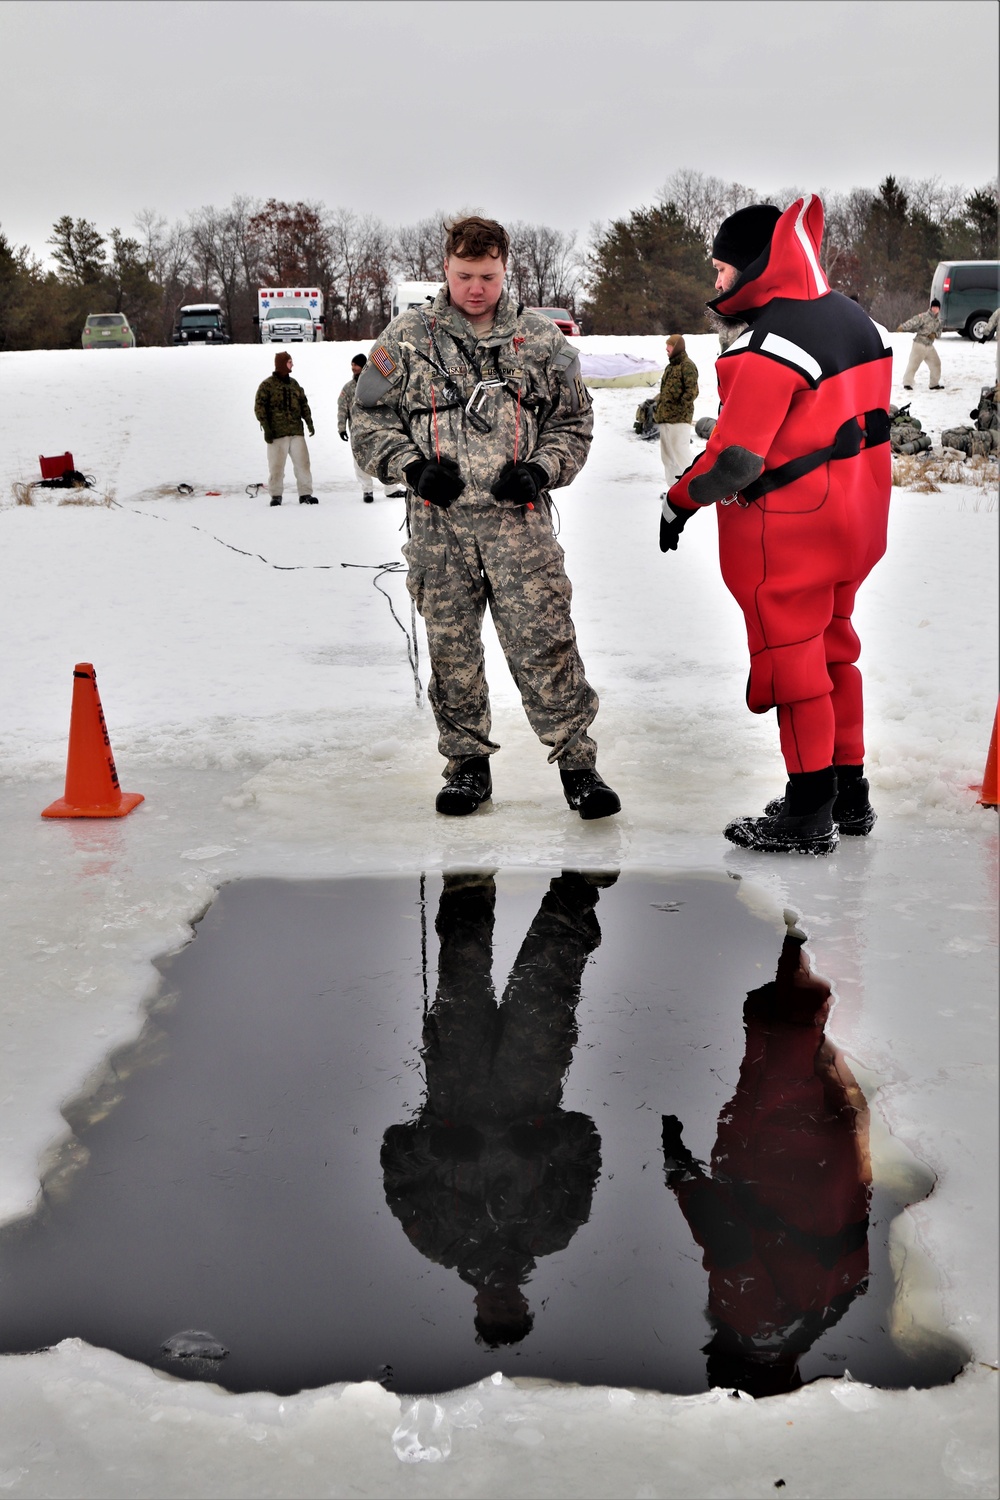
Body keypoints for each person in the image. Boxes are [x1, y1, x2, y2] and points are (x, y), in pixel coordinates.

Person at [350, 215, 619, 819]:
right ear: (445, 268)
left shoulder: (542, 341)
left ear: (506, 269)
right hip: (439, 529)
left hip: (518, 526)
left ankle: (579, 766)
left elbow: (574, 422)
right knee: (451, 650)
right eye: (466, 275)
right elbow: (367, 421)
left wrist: (543, 468)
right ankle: (467, 766)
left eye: (489, 276)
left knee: (547, 642)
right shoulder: (406, 339)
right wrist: (411, 467)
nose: (477, 287)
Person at [659, 196, 892, 853]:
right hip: (857, 519)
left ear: (757, 265)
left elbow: (734, 460)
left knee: (793, 668)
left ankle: (807, 807)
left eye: (722, 268)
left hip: (791, 531)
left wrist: (678, 501)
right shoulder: (853, 317)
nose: (717, 282)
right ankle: (850, 792)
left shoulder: (767, 346)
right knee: (836, 648)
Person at [380, 871, 605, 1349]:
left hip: (456, 1081)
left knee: (462, 969)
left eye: (494, 1313)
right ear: (524, 1305)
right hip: (532, 1081)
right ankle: (577, 889)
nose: (504, 1305)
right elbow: (586, 1152)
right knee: (547, 978)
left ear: (478, 1307)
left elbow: (395, 1165)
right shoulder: (551, 1231)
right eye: (513, 1311)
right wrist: (551, 1139)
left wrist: (436, 1145)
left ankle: (467, 878)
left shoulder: (436, 1240)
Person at [661, 932, 871, 1397]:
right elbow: (726, 1236)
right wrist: (678, 1170)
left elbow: (857, 1238)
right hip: (778, 1158)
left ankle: (843, 944)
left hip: (832, 1163)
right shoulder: (752, 1322)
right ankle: (814, 930)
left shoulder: (826, 1312)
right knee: (786, 1038)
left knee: (822, 1042)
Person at [254, 351, 318, 505]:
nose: (292, 365)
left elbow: (303, 403)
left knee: (303, 464)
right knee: (276, 467)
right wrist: (266, 428)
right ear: (282, 364)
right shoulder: (267, 385)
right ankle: (276, 495)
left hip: (296, 432)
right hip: (277, 434)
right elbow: (259, 407)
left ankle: (305, 494)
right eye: (289, 362)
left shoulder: (294, 384)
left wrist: (309, 422)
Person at [652, 334, 699, 485]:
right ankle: (673, 488)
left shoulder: (687, 366)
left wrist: (679, 409)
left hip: (679, 420)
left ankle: (694, 483)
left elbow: (692, 392)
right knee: (667, 457)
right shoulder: (670, 367)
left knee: (681, 452)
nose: (666, 349)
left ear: (677, 346)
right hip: (665, 418)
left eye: (669, 346)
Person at [338, 353, 378, 503]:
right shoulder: (348, 388)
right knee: (360, 462)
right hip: (357, 432)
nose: (353, 368)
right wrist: (341, 428)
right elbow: (342, 409)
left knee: (382, 458)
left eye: (356, 365)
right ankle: (367, 490)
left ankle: (391, 489)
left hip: (375, 430)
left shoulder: (374, 384)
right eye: (352, 365)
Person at [897, 299, 944, 390]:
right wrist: (903, 327)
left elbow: (939, 332)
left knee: (936, 364)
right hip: (919, 344)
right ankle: (907, 383)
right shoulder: (924, 316)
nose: (935, 309)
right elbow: (913, 321)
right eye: (933, 307)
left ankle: (934, 384)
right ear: (931, 308)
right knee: (913, 364)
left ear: (939, 309)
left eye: (937, 307)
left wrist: (934, 335)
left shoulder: (938, 321)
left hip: (929, 346)